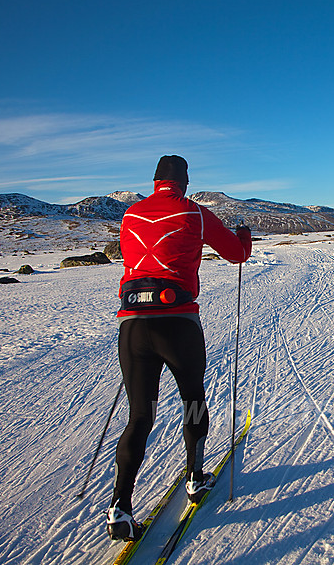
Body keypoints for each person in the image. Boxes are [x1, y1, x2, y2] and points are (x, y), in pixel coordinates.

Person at [106, 155, 252, 541]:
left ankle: (120, 505)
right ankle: (194, 477)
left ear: (155, 181)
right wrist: (244, 237)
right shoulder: (197, 213)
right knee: (193, 398)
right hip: (178, 320)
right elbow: (237, 255)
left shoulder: (130, 215)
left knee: (139, 415)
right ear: (184, 183)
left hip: (132, 323)